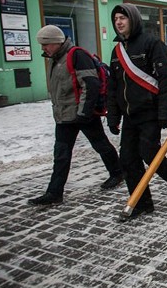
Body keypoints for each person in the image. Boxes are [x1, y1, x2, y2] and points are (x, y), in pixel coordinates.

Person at [28, 25, 124, 206]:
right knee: (61, 154)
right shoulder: (55, 59)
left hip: (82, 114)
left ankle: (118, 172)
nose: (43, 48)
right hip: (64, 116)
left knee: (101, 145)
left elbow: (91, 84)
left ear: (56, 42)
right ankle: (54, 193)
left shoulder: (77, 56)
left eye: (46, 44)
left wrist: (84, 112)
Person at [107, 4, 167, 221]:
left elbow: (166, 80)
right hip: (130, 116)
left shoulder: (151, 44)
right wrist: (113, 116)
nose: (119, 22)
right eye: (116, 19)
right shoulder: (116, 51)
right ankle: (142, 203)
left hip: (150, 112)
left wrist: (165, 112)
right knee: (128, 160)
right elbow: (113, 87)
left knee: (149, 152)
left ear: (133, 19)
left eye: (123, 18)